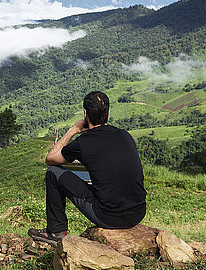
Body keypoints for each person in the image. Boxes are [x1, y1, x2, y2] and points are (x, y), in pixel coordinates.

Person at [28, 91, 146, 245]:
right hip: (137, 213)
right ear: (108, 113)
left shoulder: (83, 143)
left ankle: (56, 232)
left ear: (85, 114)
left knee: (52, 173)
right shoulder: (125, 135)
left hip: (107, 216)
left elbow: (50, 159)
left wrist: (73, 131)